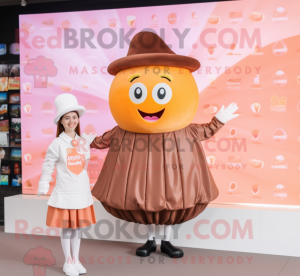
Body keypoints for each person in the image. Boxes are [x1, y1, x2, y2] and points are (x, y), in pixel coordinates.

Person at [90, 31, 239, 258]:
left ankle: (167, 242)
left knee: (170, 207)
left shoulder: (184, 131)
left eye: (161, 92)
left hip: (172, 179)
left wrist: (220, 120)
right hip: (144, 181)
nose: (150, 102)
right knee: (149, 207)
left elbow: (205, 131)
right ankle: (150, 241)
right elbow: (102, 141)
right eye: (138, 92)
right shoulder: (123, 132)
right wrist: (81, 142)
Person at [38, 93, 96, 276]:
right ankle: (67, 261)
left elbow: (83, 166)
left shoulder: (82, 142)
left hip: (81, 192)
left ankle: (76, 259)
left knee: (77, 227)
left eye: (74, 117)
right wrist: (43, 184)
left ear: (78, 119)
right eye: (67, 118)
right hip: (65, 193)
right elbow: (47, 166)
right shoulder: (56, 144)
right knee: (67, 227)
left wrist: (86, 143)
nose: (72, 121)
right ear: (61, 122)